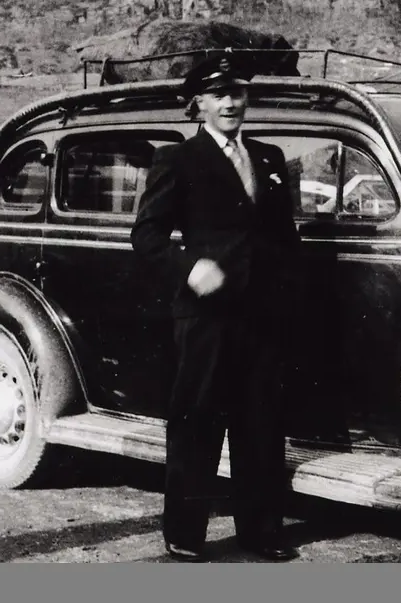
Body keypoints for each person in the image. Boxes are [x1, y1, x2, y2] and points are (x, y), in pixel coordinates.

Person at [131, 51, 301, 562]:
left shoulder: (269, 158)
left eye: (238, 93)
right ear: (198, 104)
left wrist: (288, 292)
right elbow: (147, 234)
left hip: (260, 315)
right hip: (206, 316)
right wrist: (190, 268)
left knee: (261, 422)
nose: (230, 103)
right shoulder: (179, 159)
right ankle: (185, 535)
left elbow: (283, 236)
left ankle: (261, 532)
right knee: (197, 422)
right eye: (218, 95)